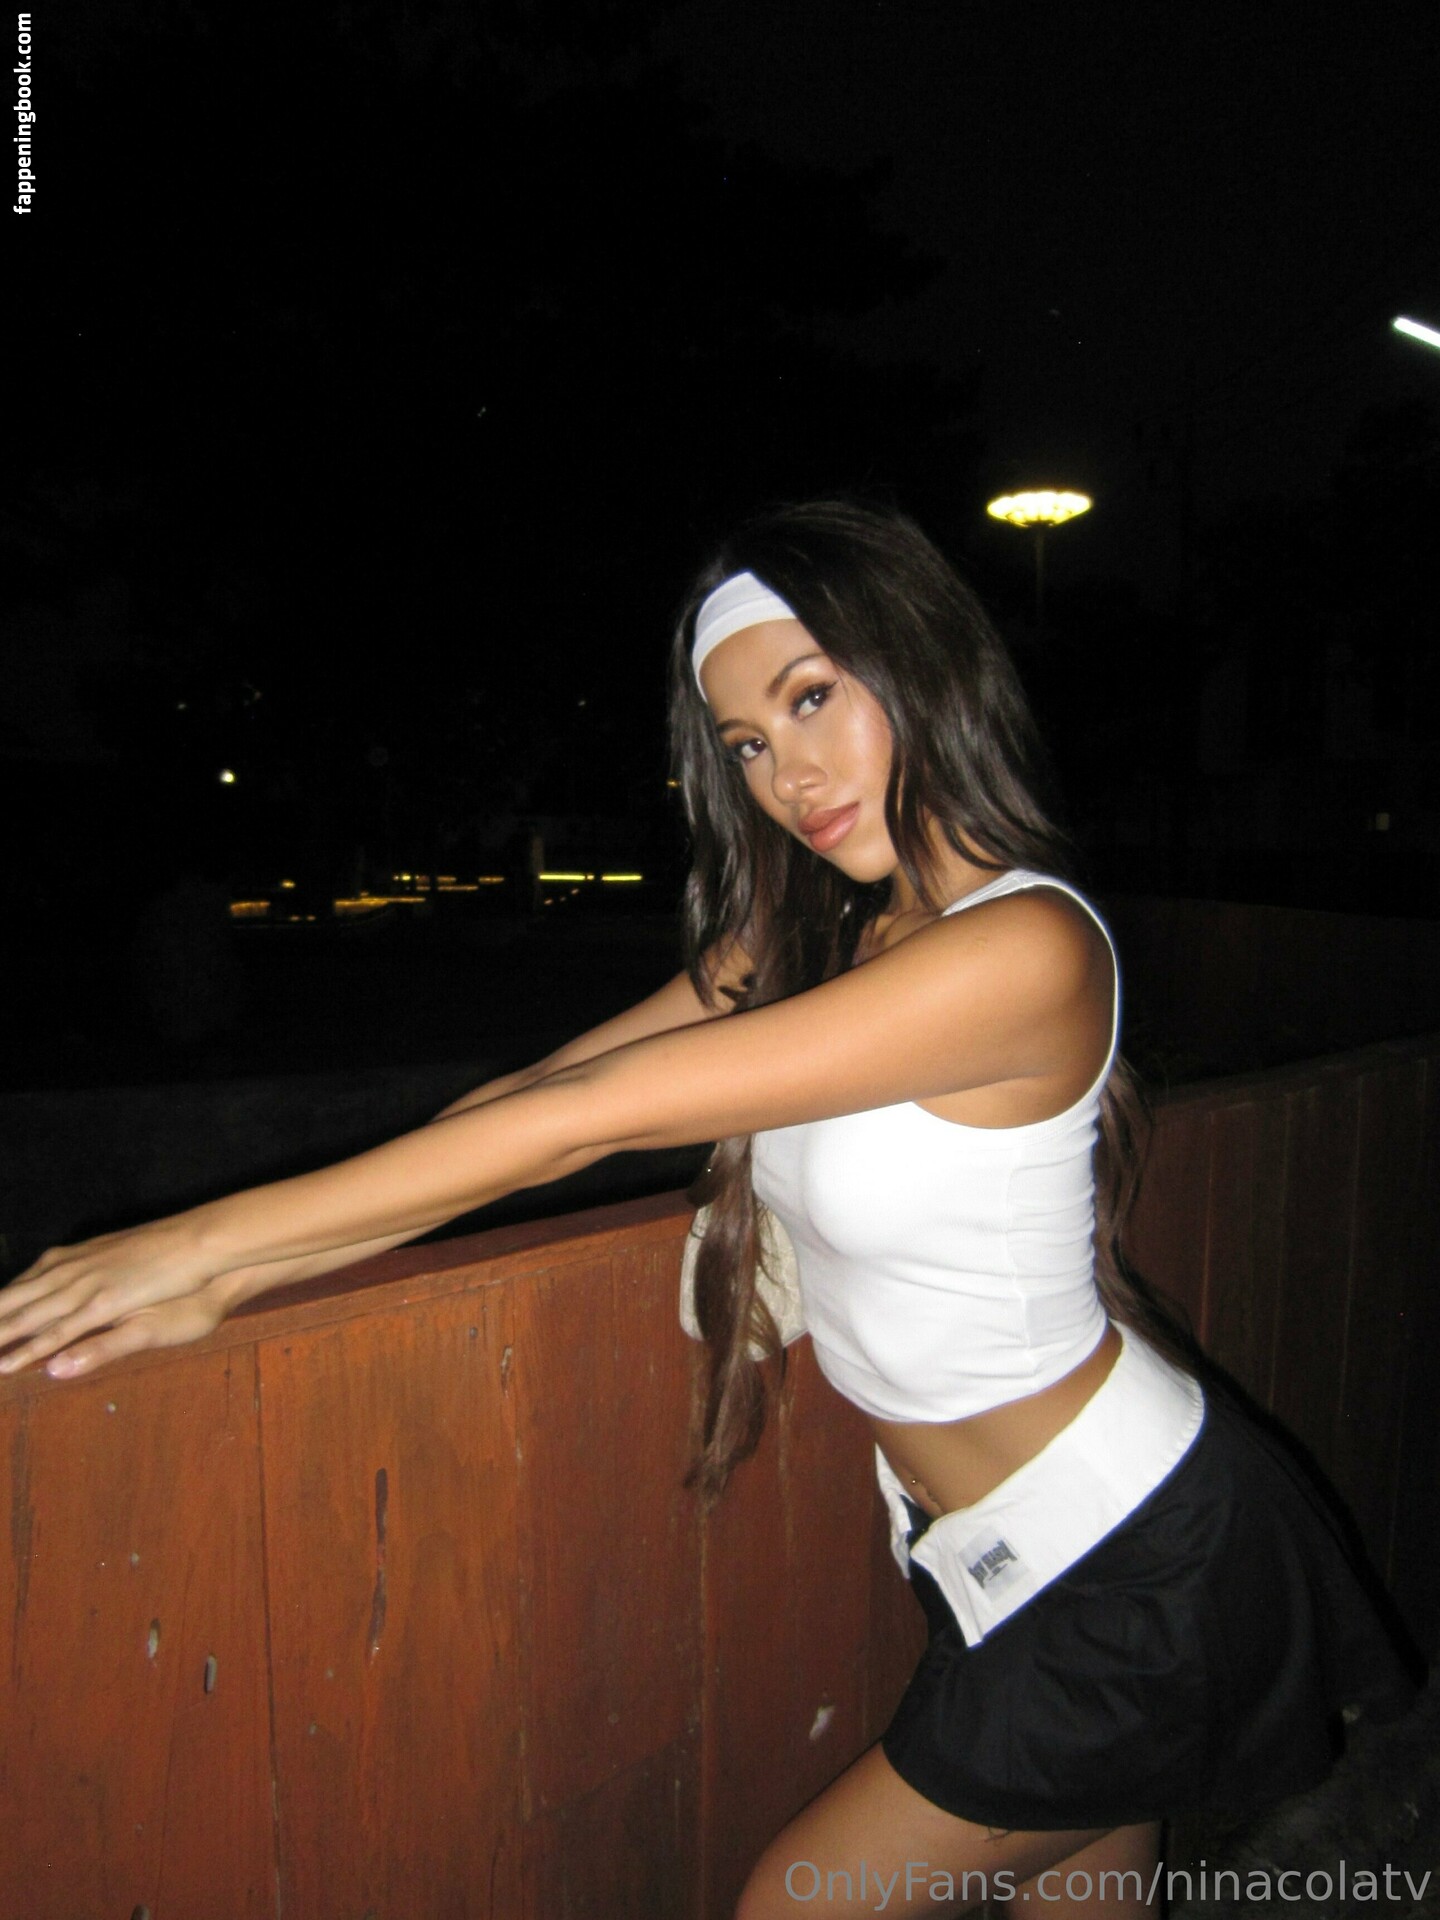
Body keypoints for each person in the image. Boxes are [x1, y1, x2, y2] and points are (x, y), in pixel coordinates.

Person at [0, 502, 1416, 1918]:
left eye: (810, 698)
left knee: (790, 1904)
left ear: (920, 663)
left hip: (1130, 1552)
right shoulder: (811, 938)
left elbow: (590, 1118)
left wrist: (192, 1243)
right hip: (978, 1556)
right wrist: (241, 1276)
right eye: (743, 743)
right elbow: (537, 1095)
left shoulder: (1029, 947)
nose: (787, 774)